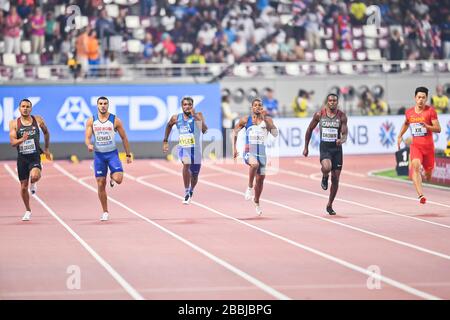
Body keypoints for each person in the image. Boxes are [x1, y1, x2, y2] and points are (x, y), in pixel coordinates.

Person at [85, 96, 132, 221]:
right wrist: (89, 144)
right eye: (100, 103)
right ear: (97, 105)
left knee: (119, 179)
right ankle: (105, 211)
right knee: (101, 184)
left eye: (105, 103)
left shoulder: (115, 120)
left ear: (108, 105)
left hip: (112, 154)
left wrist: (128, 154)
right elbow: (87, 137)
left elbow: (124, 138)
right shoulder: (91, 121)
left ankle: (112, 176)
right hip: (99, 155)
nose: (103, 105)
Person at [303, 93, 348, 215]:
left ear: (337, 102)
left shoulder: (342, 116)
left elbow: (344, 134)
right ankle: (324, 176)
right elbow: (309, 130)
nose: (332, 102)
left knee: (336, 179)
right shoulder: (319, 114)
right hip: (325, 148)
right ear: (327, 102)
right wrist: (306, 147)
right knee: (327, 167)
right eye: (330, 100)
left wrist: (341, 140)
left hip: (337, 149)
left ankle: (330, 204)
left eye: (334, 100)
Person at [232, 98, 278, 216]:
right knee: (254, 164)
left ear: (262, 108)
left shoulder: (267, 120)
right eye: (255, 105)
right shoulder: (245, 120)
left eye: (260, 105)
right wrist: (234, 148)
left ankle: (256, 201)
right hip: (249, 149)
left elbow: (275, 134)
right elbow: (234, 132)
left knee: (261, 179)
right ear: (252, 108)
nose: (258, 107)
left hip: (261, 151)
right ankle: (249, 187)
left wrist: (267, 122)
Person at [9, 98, 51, 221]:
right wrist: (22, 139)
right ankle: (28, 210)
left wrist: (47, 149)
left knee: (35, 176)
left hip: (35, 157)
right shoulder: (14, 123)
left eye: (28, 106)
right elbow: (12, 142)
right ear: (19, 108)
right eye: (23, 106)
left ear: (31, 108)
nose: (25, 108)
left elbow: (46, 133)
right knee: (23, 187)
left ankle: (34, 182)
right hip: (22, 158)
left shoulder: (37, 120)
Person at [397, 86, 441, 204]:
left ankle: (427, 172)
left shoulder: (430, 111)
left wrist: (428, 127)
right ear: (415, 98)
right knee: (415, 166)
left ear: (426, 99)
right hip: (416, 146)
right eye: (419, 97)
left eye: (423, 97)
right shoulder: (409, 112)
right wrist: (400, 135)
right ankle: (421, 195)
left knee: (428, 175)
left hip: (429, 148)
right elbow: (406, 123)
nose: (421, 100)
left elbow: (438, 129)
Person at [163, 96, 208, 204]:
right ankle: (186, 191)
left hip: (196, 150)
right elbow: (168, 126)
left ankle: (191, 190)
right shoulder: (176, 118)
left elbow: (205, 130)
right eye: (185, 105)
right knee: (186, 163)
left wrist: (195, 117)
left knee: (195, 175)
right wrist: (165, 140)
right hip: (183, 148)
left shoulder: (198, 116)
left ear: (193, 106)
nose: (187, 107)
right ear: (182, 106)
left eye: (189, 105)